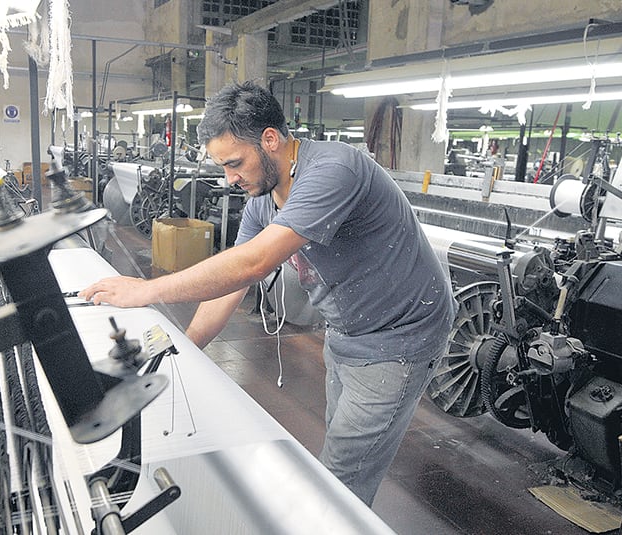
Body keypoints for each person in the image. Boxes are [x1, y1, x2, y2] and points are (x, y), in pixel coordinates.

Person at [80, 81, 456, 505]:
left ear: (271, 139)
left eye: (235, 162)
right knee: (342, 443)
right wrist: (181, 351)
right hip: (348, 332)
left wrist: (146, 290)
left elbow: (253, 263)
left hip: (399, 336)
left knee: (341, 479)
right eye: (222, 167)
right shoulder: (264, 198)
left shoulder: (334, 171)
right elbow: (234, 283)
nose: (230, 178)